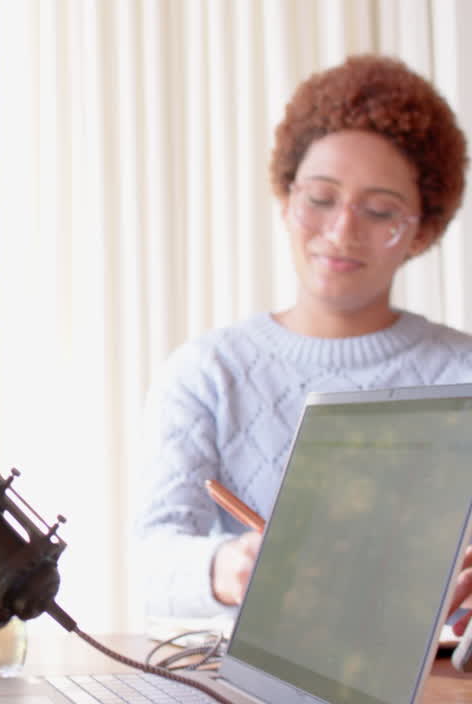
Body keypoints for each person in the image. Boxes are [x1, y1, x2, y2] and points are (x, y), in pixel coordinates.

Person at [134, 54, 472, 620]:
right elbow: (151, 563)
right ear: (287, 198)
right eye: (320, 199)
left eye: (380, 210)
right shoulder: (207, 372)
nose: (341, 232)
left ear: (423, 230)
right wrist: (228, 566)